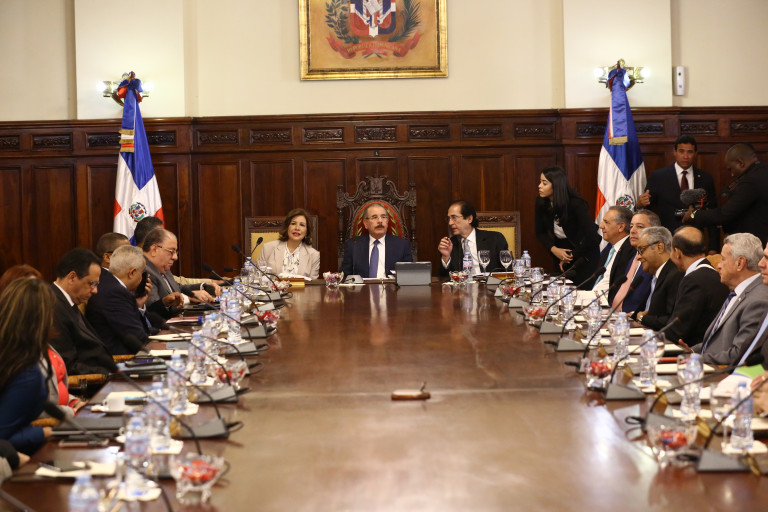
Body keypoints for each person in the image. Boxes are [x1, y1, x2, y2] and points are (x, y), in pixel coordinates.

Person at [0, 266, 84, 417]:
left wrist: (75, 403)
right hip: (50, 424)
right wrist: (72, 412)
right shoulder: (16, 351)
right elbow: (31, 408)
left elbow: (57, 389)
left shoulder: (37, 339)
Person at [690, 233, 768, 365]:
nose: (718, 265)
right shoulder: (737, 292)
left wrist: (696, 359)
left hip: (723, 373)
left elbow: (740, 355)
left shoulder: (758, 300)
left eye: (723, 259)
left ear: (740, 263)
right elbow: (717, 342)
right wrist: (692, 352)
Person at [0, 278, 56, 454]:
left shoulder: (8, 354)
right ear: (41, 320)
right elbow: (2, 437)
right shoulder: (27, 374)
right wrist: (44, 432)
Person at [637, 135, 718, 252]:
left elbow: (713, 214)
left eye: (690, 152)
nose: (685, 156)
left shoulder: (705, 178)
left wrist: (713, 248)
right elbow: (647, 210)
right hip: (667, 241)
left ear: (695, 153)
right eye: (681, 151)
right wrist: (639, 204)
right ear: (674, 152)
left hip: (695, 241)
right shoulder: (658, 177)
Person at [49, 248, 117, 376]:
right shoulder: (53, 308)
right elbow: (67, 365)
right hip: (90, 383)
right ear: (72, 277)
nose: (95, 290)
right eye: (92, 283)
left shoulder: (67, 302)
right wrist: (108, 375)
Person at [685, 143, 768, 245]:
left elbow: (724, 214)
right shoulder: (762, 171)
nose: (732, 174)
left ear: (740, 163)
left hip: (758, 244)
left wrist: (693, 214)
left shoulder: (751, 181)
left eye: (731, 169)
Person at [534, 166, 601, 287]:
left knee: (581, 293)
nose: (539, 186)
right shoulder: (541, 202)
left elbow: (593, 236)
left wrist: (570, 256)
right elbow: (540, 232)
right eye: (540, 182)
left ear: (556, 185)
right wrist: (554, 249)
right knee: (561, 292)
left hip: (583, 253)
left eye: (544, 183)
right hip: (560, 252)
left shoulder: (575, 203)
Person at [666, 227, 729, 346]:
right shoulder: (711, 274)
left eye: (671, 251)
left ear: (678, 253)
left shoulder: (694, 280)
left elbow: (677, 330)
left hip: (694, 351)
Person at [86, 245, 151, 355]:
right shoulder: (115, 292)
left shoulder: (108, 283)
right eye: (141, 274)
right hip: (120, 359)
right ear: (132, 273)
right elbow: (138, 337)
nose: (142, 279)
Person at [134, 216, 222, 293]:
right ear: (152, 245)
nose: (175, 257)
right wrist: (187, 298)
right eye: (160, 235)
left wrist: (204, 285)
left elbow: (177, 285)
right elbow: (156, 302)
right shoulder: (141, 267)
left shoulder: (162, 265)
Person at [143, 228, 214, 320]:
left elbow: (177, 288)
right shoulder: (144, 270)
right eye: (171, 251)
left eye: (175, 252)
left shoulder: (162, 267)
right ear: (154, 249)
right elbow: (153, 310)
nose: (175, 257)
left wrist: (202, 287)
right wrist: (187, 298)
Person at [340, 203, 413, 278]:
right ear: (365, 223)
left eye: (383, 217)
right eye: (374, 217)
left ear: (387, 221)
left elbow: (409, 276)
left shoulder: (402, 245)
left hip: (391, 285)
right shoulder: (353, 245)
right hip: (363, 285)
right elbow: (344, 276)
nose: (380, 221)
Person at [438, 200, 508, 276]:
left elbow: (508, 269)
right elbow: (444, 278)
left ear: (469, 219)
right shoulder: (450, 244)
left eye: (454, 218)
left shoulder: (495, 238)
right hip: (463, 283)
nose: (450, 223)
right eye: (449, 218)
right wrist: (446, 257)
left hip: (490, 282)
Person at [632, 226, 683, 330]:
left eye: (641, 250)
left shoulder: (675, 275)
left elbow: (672, 320)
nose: (638, 257)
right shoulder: (656, 274)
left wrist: (642, 318)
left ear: (660, 247)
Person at [612, 210, 658, 312]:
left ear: (654, 232)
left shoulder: (654, 262)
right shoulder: (632, 258)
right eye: (631, 226)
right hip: (615, 315)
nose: (632, 230)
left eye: (640, 226)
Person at [257, 208, 320, 279]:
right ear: (287, 227)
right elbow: (258, 277)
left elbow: (313, 284)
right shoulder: (268, 248)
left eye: (302, 225)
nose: (297, 228)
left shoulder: (313, 255)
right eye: (293, 224)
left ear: (306, 231)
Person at [593, 206, 634, 302]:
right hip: (595, 299)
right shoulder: (608, 250)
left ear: (621, 227)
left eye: (606, 222)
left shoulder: (630, 251)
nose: (601, 226)